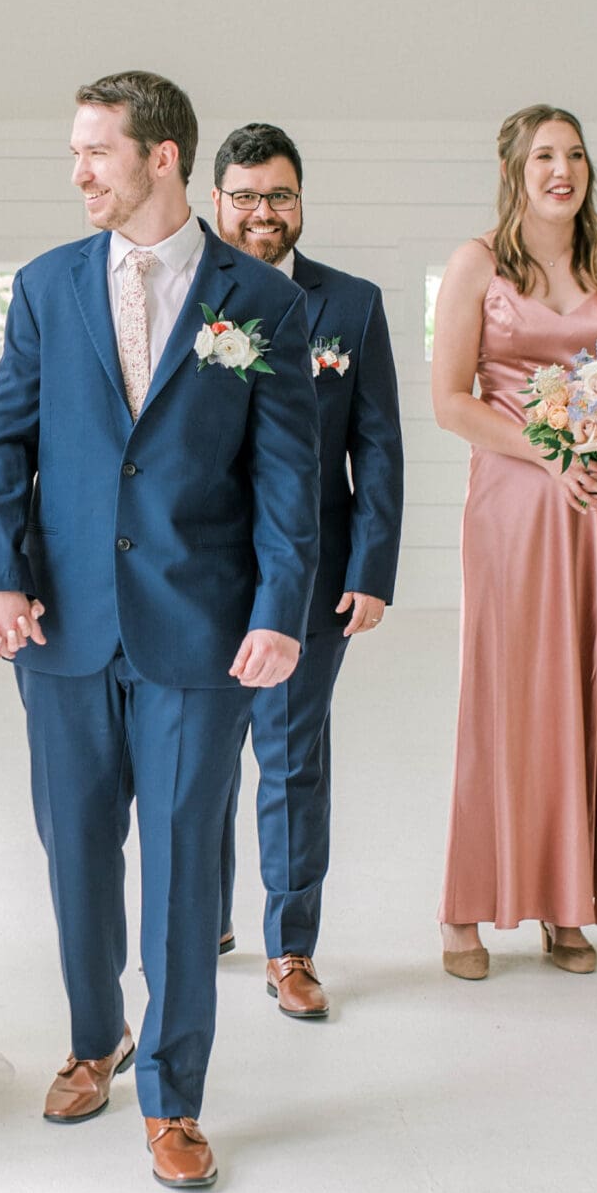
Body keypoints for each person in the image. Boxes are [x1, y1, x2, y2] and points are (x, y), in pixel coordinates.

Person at [0, 70, 318, 1192]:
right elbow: (3, 447)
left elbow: (289, 477)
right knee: (74, 850)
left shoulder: (261, 301)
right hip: (62, 627)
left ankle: (173, 1095)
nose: (78, 170)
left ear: (161, 157)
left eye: (96, 151)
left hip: (199, 632)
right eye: (75, 151)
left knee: (179, 868)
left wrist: (279, 611)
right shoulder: (46, 286)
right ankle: (93, 1038)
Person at [431, 105, 597, 978]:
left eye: (575, 155)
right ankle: (465, 908)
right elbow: (451, 401)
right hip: (515, 503)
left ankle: (570, 905)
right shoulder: (477, 263)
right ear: (513, 171)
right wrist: (554, 455)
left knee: (594, 688)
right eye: (543, 157)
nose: (562, 170)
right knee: (509, 690)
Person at [204, 123, 402, 1020]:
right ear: (216, 201)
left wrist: (372, 567)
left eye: (278, 196)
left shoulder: (350, 304)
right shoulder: (185, 295)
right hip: (199, 571)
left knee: (290, 762)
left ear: (300, 202)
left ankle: (291, 948)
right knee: (198, 755)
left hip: (313, 575)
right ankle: (204, 916)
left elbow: (378, 445)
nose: (262, 213)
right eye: (245, 196)